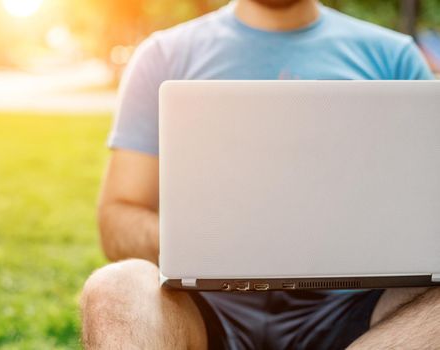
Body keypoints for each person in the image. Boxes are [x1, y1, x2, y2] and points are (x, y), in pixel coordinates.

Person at [80, 0, 439, 348]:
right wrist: (206, 241)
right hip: (201, 311)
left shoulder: (394, 57)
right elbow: (118, 218)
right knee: (116, 287)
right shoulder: (163, 55)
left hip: (362, 316)